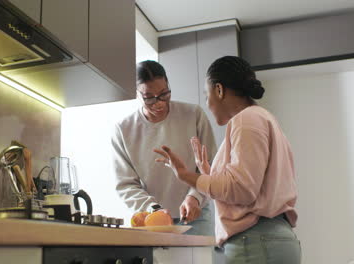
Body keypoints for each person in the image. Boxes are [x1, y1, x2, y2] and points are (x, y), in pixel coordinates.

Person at [154, 56, 301, 263]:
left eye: (207, 95)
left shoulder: (246, 120)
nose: (208, 103)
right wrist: (208, 174)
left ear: (219, 90)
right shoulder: (263, 118)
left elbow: (241, 189)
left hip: (256, 242)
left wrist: (188, 176)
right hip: (268, 240)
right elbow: (251, 187)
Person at [111, 60, 217, 235]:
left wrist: (195, 197)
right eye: (149, 98)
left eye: (164, 94)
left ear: (168, 84)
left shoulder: (193, 115)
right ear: (136, 94)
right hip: (153, 220)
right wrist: (154, 209)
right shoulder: (124, 129)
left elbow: (209, 164)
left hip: (195, 214)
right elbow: (126, 184)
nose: (158, 103)